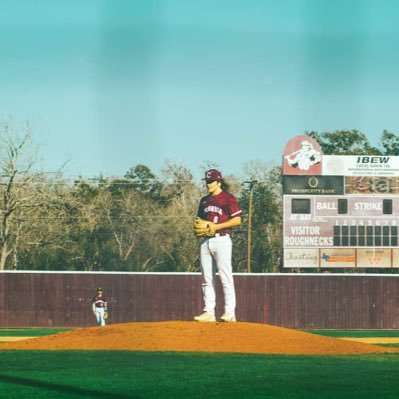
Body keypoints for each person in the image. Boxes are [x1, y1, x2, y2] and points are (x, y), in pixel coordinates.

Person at [193, 169, 242, 322]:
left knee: (225, 276)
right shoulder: (204, 201)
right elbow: (200, 221)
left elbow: (237, 220)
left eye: (211, 181)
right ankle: (208, 312)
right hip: (206, 241)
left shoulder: (228, 198)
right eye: (206, 181)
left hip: (222, 239)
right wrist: (199, 230)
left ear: (219, 182)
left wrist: (216, 227)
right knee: (206, 278)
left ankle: (229, 312)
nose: (208, 184)